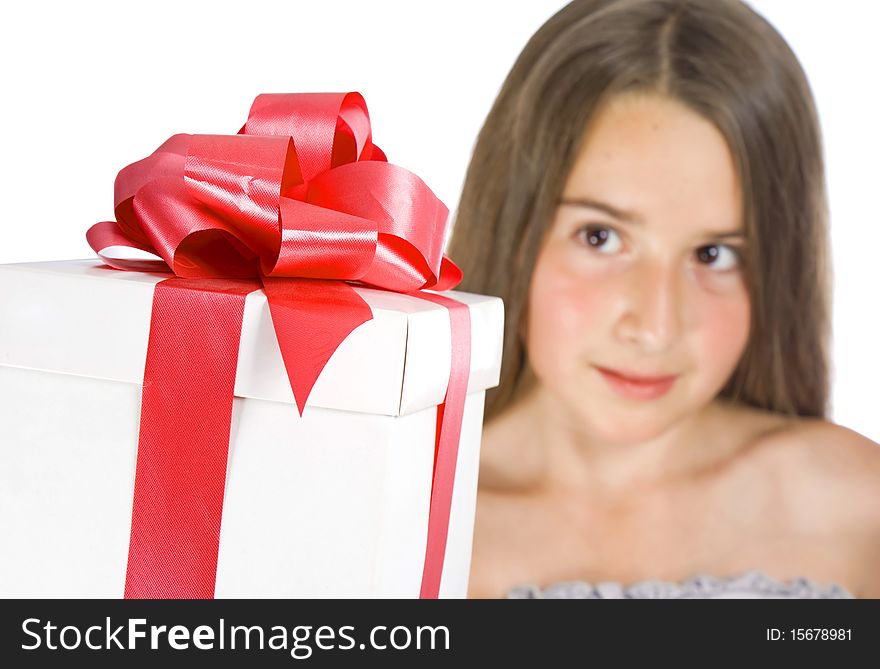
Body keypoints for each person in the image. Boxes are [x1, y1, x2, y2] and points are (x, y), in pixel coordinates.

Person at [448, 0, 880, 598]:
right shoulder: (397, 520)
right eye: (600, 238)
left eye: (715, 254)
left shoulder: (857, 512)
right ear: (513, 225)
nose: (656, 327)